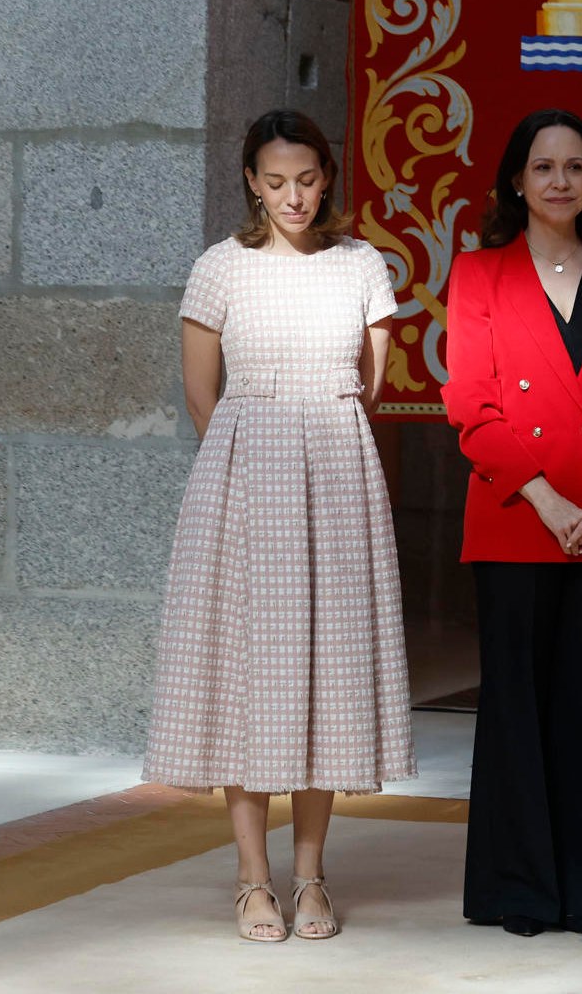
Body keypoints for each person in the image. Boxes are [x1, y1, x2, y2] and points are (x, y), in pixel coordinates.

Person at [143, 109, 416, 943]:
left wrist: (314, 442)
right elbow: (201, 393)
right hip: (244, 472)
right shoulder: (218, 268)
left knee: (325, 674)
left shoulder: (363, 264)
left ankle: (312, 879)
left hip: (336, 468)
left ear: (326, 177)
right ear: (252, 184)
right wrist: (251, 461)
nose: (293, 196)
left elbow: (368, 384)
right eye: (275, 181)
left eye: (306, 179)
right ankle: (252, 880)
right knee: (250, 675)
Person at [443, 109, 582, 938]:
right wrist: (547, 498)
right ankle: (521, 890)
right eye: (544, 167)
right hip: (516, 518)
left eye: (575, 166)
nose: (560, 181)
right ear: (516, 181)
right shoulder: (478, 275)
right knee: (516, 706)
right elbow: (471, 404)